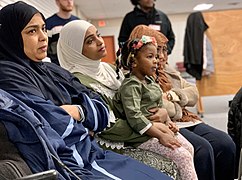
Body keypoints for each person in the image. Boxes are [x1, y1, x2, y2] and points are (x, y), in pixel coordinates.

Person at [0, 1, 172, 180]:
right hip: (72, 163)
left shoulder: (51, 70)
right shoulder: (8, 75)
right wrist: (83, 114)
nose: (43, 37)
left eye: (43, 28)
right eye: (32, 31)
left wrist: (78, 111)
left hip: (94, 153)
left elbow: (103, 111)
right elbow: (50, 123)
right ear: (10, 36)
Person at [57, 19, 180, 179]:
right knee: (173, 162)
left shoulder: (108, 68)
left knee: (192, 148)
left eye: (98, 35)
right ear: (75, 51)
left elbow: (137, 98)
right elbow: (109, 126)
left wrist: (163, 114)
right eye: (90, 41)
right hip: (117, 143)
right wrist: (152, 129)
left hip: (143, 127)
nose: (100, 41)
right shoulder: (78, 82)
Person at [129, 24, 236, 180]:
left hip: (187, 120)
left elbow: (193, 93)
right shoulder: (136, 74)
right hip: (169, 124)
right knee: (203, 149)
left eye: (164, 50)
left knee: (226, 144)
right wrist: (177, 106)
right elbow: (152, 106)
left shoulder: (167, 70)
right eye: (157, 50)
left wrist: (172, 96)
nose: (162, 56)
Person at [46, 0, 79, 65]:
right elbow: (45, 48)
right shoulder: (48, 24)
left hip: (77, 67)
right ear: (57, 2)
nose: (69, 2)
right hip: (57, 68)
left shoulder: (78, 23)